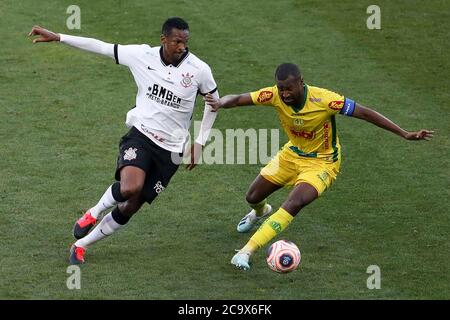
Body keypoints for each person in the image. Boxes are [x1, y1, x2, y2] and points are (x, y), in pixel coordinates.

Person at [205, 63, 434, 270]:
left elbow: (364, 113)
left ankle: (246, 251)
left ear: (301, 83)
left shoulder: (324, 100)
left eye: (289, 89)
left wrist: (404, 133)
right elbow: (238, 99)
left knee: (294, 203)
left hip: (322, 163)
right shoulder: (274, 95)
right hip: (291, 155)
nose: (284, 94)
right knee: (253, 195)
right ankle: (261, 211)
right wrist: (220, 102)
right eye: (281, 88)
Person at [29, 17, 220, 265]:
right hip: (141, 135)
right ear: (163, 40)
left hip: (171, 151)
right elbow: (100, 46)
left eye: (185, 42)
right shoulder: (141, 55)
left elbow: (214, 104)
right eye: (176, 42)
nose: (182, 47)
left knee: (131, 205)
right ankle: (93, 213)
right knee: (130, 187)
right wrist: (60, 37)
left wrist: (200, 142)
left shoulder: (199, 70)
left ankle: (80, 245)